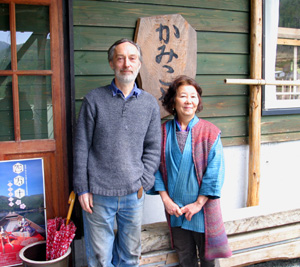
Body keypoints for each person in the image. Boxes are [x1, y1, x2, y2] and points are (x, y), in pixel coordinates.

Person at [73, 39, 161, 267]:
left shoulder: (149, 104)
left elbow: (153, 147)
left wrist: (144, 181)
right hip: (98, 194)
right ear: (112, 63)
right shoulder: (94, 100)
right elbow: (81, 145)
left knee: (130, 256)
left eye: (132, 58)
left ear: (139, 63)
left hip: (134, 193)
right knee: (100, 259)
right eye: (120, 58)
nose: (126, 64)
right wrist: (82, 187)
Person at [153, 75, 231, 267]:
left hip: (202, 210)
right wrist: (166, 201)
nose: (189, 101)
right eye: (183, 96)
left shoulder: (210, 132)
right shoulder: (162, 132)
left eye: (193, 96)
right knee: (184, 257)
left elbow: (215, 172)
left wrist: (198, 203)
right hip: (176, 210)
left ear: (198, 101)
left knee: (208, 260)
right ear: (173, 101)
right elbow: (154, 167)